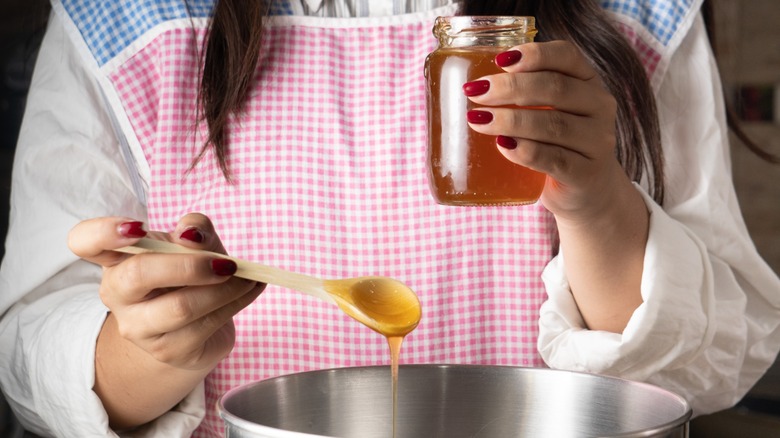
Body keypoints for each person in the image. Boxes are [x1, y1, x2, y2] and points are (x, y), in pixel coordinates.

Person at [1, 0, 779, 436]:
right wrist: (147, 353)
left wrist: (597, 205)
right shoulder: (124, 22)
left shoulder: (635, 17)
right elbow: (27, 358)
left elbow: (716, 364)